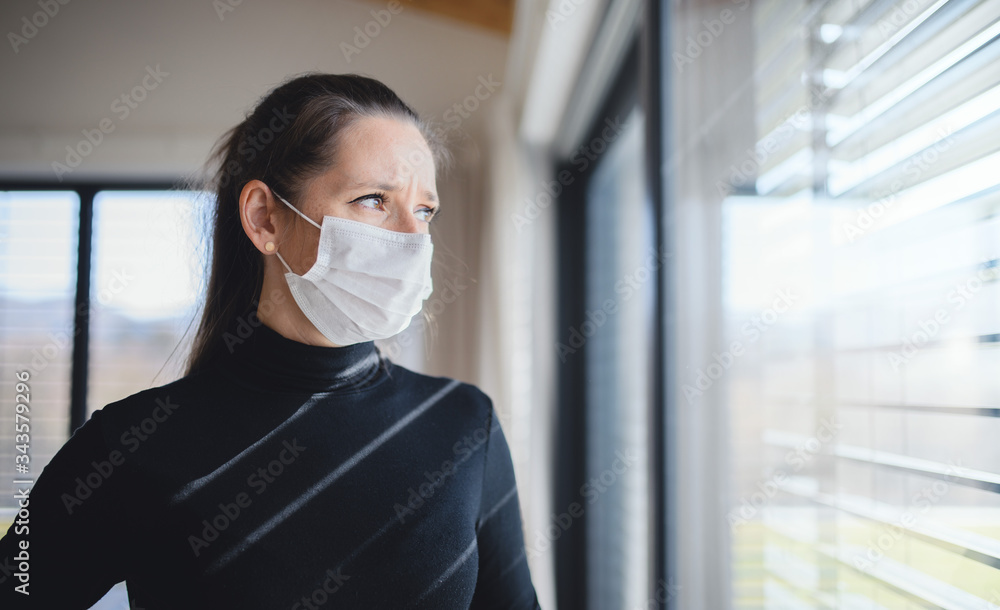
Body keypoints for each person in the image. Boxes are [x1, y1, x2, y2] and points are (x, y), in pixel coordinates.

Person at [0, 73, 540, 609]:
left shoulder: (465, 423)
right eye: (374, 199)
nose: (413, 240)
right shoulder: (130, 446)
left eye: (425, 210)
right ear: (264, 218)